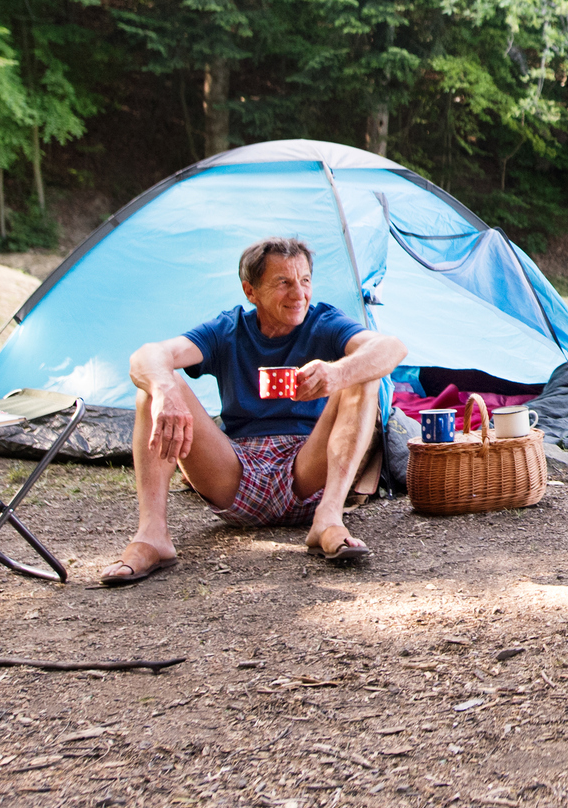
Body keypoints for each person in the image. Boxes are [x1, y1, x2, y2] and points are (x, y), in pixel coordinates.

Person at [98, 237, 407, 584]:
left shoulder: (323, 322)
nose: (298, 294)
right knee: (152, 390)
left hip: (308, 470)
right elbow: (148, 354)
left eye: (304, 281)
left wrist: (337, 373)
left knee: (364, 375)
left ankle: (328, 520)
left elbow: (392, 347)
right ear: (251, 291)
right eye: (283, 283)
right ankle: (152, 536)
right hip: (235, 473)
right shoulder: (227, 330)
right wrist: (165, 389)